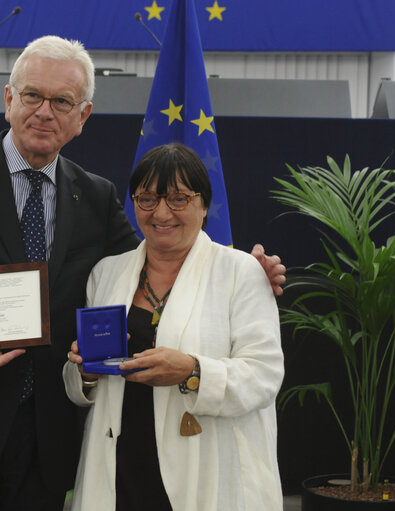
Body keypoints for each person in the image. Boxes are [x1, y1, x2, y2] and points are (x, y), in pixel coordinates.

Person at [0, 35, 285, 511]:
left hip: (47, 443)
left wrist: (237, 267)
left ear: (82, 117)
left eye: (62, 101)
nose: (44, 112)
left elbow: (157, 251)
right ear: (9, 99)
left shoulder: (94, 196)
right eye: (32, 95)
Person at [64, 143, 284, 511]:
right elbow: (83, 385)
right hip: (120, 466)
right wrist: (83, 372)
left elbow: (264, 375)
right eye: (147, 199)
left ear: (204, 205)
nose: (161, 212)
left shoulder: (240, 272)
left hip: (206, 467)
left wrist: (193, 371)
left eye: (179, 199)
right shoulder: (106, 273)